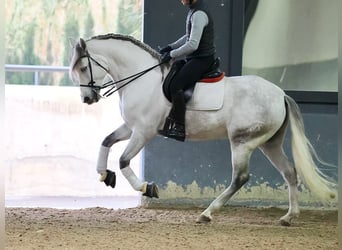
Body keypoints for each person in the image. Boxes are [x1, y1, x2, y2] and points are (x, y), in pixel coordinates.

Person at [158, 0, 217, 142]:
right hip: (196, 58)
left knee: (175, 85)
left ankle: (179, 127)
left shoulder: (199, 14)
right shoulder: (194, 10)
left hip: (202, 60)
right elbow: (189, 35)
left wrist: (171, 54)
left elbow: (192, 44)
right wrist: (170, 47)